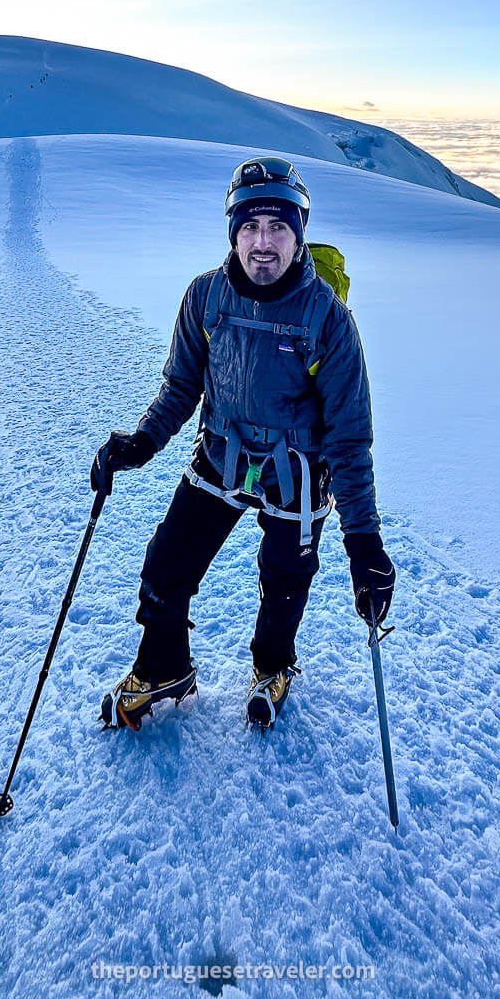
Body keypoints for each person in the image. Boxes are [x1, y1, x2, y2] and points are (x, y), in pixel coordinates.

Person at [91, 156, 395, 731]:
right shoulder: (206, 299)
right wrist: (142, 443)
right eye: (250, 226)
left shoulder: (328, 320)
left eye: (278, 226)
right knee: (165, 567)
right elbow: (182, 385)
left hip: (297, 471)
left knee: (284, 581)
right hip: (221, 458)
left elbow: (350, 441)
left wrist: (364, 543)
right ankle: (164, 669)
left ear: (299, 231)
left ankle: (273, 666)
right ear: (232, 232)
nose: (262, 243)